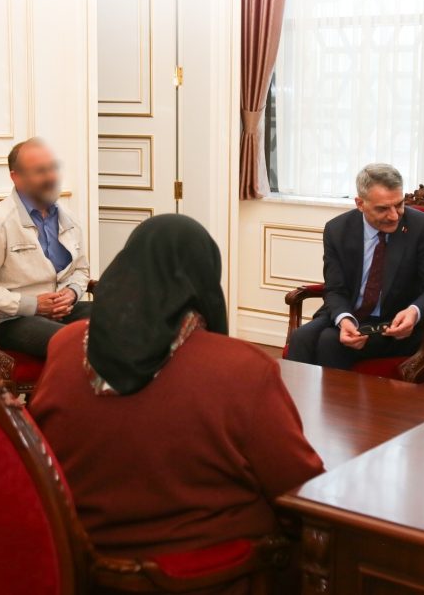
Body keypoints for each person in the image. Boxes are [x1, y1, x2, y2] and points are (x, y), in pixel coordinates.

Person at [30, 215, 323, 590]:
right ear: (204, 280)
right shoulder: (243, 369)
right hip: (211, 575)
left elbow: (43, 451)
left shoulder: (65, 345)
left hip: (84, 560)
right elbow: (300, 489)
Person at [285, 163, 424, 370]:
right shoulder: (337, 230)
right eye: (383, 208)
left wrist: (414, 312)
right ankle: (292, 402)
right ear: (360, 203)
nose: (394, 215)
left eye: (399, 204)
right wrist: (344, 319)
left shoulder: (421, 226)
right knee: (301, 337)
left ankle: (338, 404)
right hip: (350, 310)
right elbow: (335, 288)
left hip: (395, 323)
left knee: (329, 341)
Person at [0, 137, 91, 358]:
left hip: (61, 312)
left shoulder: (67, 218)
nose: (51, 177)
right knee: (74, 344)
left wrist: (72, 292)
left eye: (52, 169)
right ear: (16, 177)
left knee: (117, 322)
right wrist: (33, 305)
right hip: (12, 320)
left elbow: (81, 270)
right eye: (40, 171)